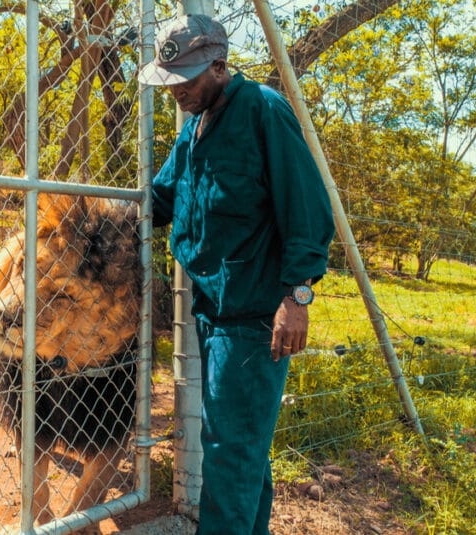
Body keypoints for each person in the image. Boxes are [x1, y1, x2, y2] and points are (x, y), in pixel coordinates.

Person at [137, 14, 335, 535]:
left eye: (187, 77)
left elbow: (309, 209)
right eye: (170, 79)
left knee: (228, 452)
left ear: (220, 66)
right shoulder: (195, 128)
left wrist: (297, 298)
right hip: (212, 307)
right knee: (243, 446)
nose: (176, 89)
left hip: (254, 316)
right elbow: (163, 197)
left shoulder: (264, 112)